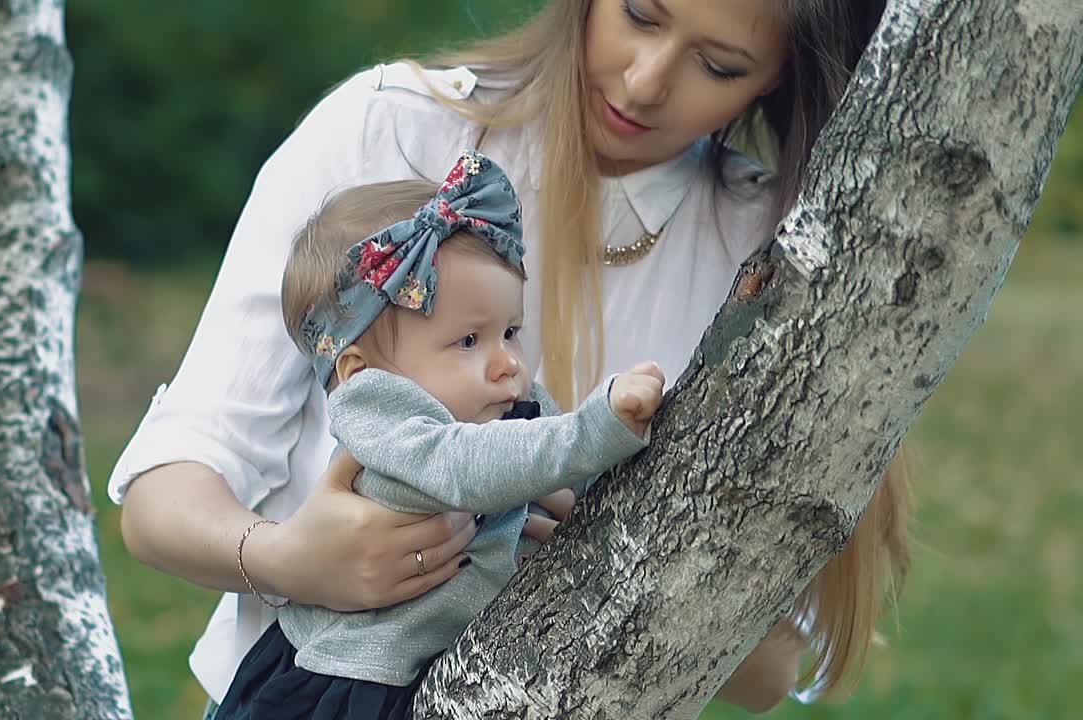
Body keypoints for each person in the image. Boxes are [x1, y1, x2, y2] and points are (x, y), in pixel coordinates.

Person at [111, 0, 911, 714]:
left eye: (718, 65)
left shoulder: (777, 256)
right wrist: (287, 558)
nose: (642, 82)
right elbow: (164, 492)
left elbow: (769, 672)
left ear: (775, 80)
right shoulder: (388, 130)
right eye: (639, 14)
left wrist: (616, 560)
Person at [215, 151, 664, 719]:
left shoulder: (506, 409)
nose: (507, 363)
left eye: (511, 331)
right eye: (470, 341)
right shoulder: (385, 419)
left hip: (433, 669)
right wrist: (595, 427)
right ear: (360, 371)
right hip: (344, 685)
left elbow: (566, 464)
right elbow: (468, 467)